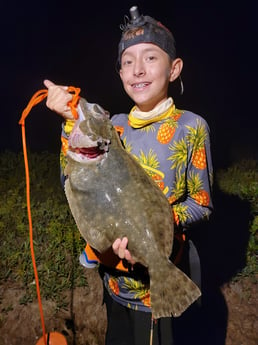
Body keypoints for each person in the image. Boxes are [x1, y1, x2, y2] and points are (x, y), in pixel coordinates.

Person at [44, 5, 213, 345]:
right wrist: (68, 122)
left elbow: (201, 205)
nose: (138, 69)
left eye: (151, 58)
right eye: (127, 61)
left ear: (174, 68)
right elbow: (75, 181)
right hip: (114, 283)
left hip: (156, 291)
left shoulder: (192, 127)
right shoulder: (114, 126)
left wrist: (151, 235)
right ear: (119, 73)